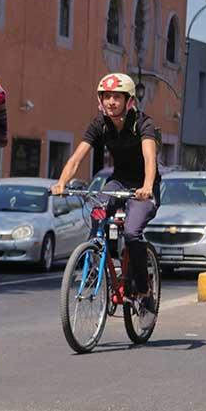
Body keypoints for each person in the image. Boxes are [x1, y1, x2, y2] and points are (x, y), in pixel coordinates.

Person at [51, 72, 160, 318]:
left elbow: (149, 158)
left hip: (144, 186)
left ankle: (143, 291)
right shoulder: (99, 124)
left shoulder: (143, 124)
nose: (111, 102)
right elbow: (77, 157)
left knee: (132, 232)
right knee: (97, 212)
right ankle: (95, 258)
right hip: (118, 182)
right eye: (106, 96)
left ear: (129, 100)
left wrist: (147, 186)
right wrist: (61, 183)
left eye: (116, 97)